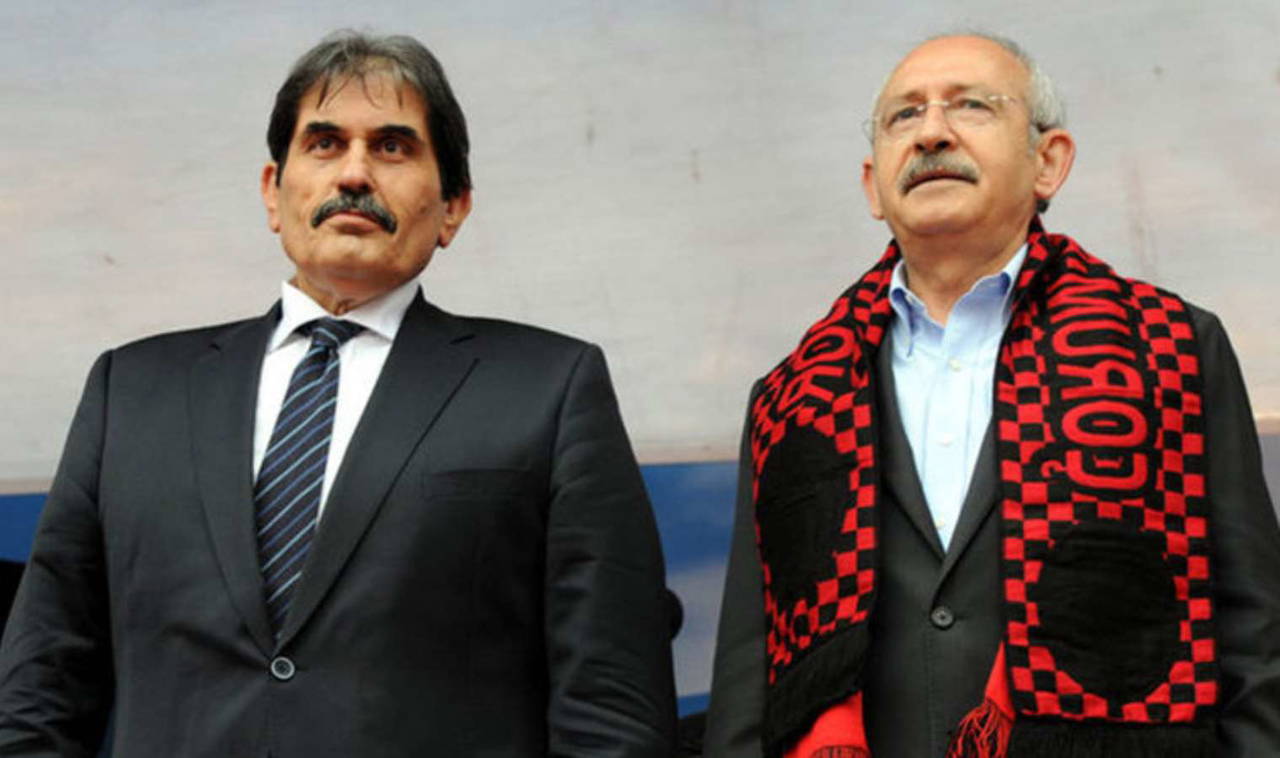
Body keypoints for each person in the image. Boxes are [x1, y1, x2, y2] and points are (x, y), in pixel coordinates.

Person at [0, 31, 676, 757]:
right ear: (273, 191)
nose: (354, 173)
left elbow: (611, 708)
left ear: (453, 206)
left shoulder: (549, 388)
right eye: (324, 144)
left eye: (393, 147)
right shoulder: (130, 392)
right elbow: (41, 691)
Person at [703, 33, 1280, 758]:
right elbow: (748, 680)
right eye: (904, 116)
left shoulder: (1173, 346)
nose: (932, 133)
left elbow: (1252, 634)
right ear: (872, 186)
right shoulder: (791, 397)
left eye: (971, 106)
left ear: (1049, 161)